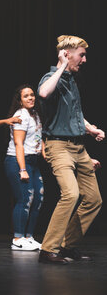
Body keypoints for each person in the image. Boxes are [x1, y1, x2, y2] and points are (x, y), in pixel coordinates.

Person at [37, 35, 104, 264]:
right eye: (81, 55)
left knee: (94, 199)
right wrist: (62, 66)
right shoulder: (51, 77)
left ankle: (68, 246)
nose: (84, 60)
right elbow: (44, 93)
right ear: (67, 54)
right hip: (59, 146)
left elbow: (74, 113)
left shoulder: (73, 81)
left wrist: (90, 129)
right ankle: (48, 250)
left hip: (79, 148)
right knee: (71, 194)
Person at [4, 85, 45, 251]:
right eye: (26, 96)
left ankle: (29, 237)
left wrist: (45, 153)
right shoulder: (20, 115)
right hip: (18, 161)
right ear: (20, 100)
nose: (30, 98)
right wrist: (22, 169)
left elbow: (38, 138)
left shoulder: (34, 114)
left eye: (32, 95)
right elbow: (18, 143)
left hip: (33, 161)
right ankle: (18, 238)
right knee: (25, 199)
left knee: (38, 198)